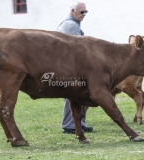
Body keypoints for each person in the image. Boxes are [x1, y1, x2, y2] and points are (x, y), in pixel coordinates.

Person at [56, 1, 93, 134]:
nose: (84, 14)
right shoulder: (70, 25)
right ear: (72, 11)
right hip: (69, 65)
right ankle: (69, 125)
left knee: (80, 92)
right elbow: (79, 48)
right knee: (72, 93)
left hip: (70, 64)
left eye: (85, 12)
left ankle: (79, 123)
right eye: (81, 12)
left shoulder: (73, 23)